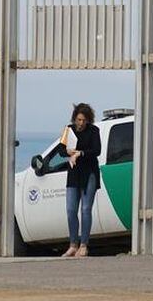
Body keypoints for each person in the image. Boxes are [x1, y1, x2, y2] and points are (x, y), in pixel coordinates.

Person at [61, 102, 101, 257]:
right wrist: (68, 152)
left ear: (88, 120)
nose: (81, 123)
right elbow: (61, 150)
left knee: (85, 209)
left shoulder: (93, 130)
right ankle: (73, 244)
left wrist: (80, 153)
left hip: (89, 173)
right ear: (74, 119)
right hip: (74, 174)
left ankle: (84, 245)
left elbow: (96, 150)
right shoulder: (68, 129)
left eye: (84, 120)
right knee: (71, 210)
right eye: (79, 120)